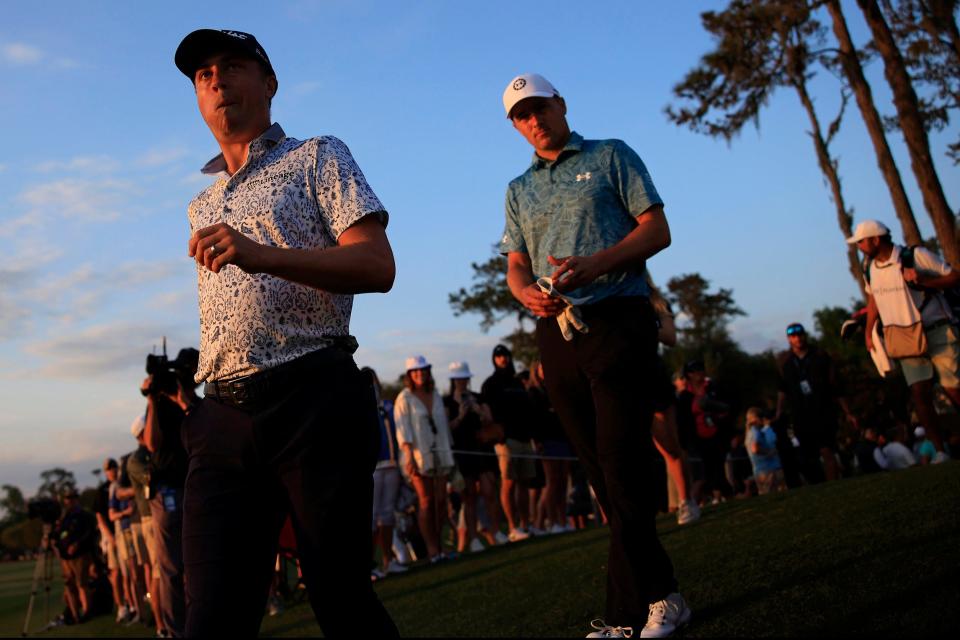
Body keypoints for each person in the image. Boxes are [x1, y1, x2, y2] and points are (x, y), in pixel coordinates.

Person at [173, 29, 397, 637]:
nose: (217, 80)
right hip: (220, 417)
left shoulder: (319, 155)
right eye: (203, 76)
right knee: (211, 617)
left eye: (232, 66)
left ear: (269, 84)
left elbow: (377, 266)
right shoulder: (202, 202)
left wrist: (261, 254)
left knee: (340, 597)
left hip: (313, 399)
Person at [499, 72, 689, 638]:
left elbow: (657, 230)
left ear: (560, 104)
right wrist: (521, 291)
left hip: (619, 317)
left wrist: (601, 262)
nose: (534, 121)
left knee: (621, 459)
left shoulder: (610, 154)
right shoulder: (517, 188)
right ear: (515, 125)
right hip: (556, 333)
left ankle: (631, 613)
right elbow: (514, 262)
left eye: (540, 108)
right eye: (521, 116)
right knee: (599, 474)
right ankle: (662, 596)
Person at [850, 219, 958, 464]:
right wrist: (869, 332)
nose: (859, 247)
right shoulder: (869, 267)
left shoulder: (915, 256)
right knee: (920, 394)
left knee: (953, 390)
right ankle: (941, 450)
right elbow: (874, 300)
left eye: (862, 241)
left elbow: (954, 277)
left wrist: (924, 281)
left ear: (876, 239)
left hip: (936, 329)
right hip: (903, 338)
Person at [775, 323, 856, 484]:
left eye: (800, 335)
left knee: (827, 449)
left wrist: (848, 412)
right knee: (808, 455)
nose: (797, 339)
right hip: (801, 414)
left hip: (823, 410)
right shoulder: (786, 362)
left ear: (805, 335)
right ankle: (819, 487)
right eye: (793, 336)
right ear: (788, 339)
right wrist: (779, 411)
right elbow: (782, 389)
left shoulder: (820, 356)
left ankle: (833, 484)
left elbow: (835, 386)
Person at [394, 356, 456, 562]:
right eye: (415, 371)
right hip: (419, 457)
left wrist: (450, 449)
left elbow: (444, 426)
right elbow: (403, 430)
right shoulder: (404, 398)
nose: (420, 374)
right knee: (426, 502)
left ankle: (439, 545)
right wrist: (409, 456)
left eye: (422, 370)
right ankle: (431, 550)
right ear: (410, 375)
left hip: (441, 453)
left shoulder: (435, 394)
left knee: (440, 501)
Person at [443, 361, 502, 551]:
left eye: (464, 378)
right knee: (469, 497)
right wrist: (460, 416)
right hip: (463, 452)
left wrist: (478, 411)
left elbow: (490, 421)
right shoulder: (447, 402)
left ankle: (496, 531)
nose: (462, 382)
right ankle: (474, 539)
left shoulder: (478, 397)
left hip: (481, 450)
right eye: (459, 379)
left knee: (489, 491)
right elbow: (446, 429)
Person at [481, 344, 537, 542]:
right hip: (506, 440)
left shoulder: (516, 382)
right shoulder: (491, 384)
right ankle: (512, 527)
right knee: (508, 483)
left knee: (524, 483)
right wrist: (499, 437)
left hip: (524, 438)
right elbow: (487, 414)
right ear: (494, 360)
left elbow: (528, 410)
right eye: (498, 356)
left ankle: (525, 525)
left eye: (505, 355)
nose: (502, 359)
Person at [365, 367, 409, 580]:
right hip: (372, 469)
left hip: (391, 465)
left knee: (387, 514)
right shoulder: (359, 410)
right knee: (371, 517)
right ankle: (368, 564)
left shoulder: (388, 407)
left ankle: (388, 561)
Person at [526, 360, 574, 534]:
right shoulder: (533, 392)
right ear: (536, 371)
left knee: (562, 482)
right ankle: (547, 521)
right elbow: (534, 419)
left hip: (562, 439)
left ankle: (562, 520)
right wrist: (537, 441)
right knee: (552, 482)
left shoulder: (555, 389)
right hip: (547, 441)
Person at [678, 360, 732, 506]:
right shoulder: (684, 397)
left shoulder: (713, 389)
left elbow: (727, 407)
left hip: (715, 436)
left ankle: (722, 497)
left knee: (718, 470)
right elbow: (682, 421)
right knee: (701, 475)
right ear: (689, 375)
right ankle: (691, 504)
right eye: (695, 371)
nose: (699, 373)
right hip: (696, 441)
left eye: (701, 369)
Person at [55, 489, 96, 624]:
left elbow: (89, 533)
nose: (70, 501)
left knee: (81, 583)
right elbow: (60, 535)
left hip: (80, 555)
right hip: (66, 557)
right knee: (70, 585)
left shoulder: (83, 515)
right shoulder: (64, 517)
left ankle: (87, 611)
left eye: (72, 498)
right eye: (67, 498)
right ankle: (74, 614)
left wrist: (77, 544)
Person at [744, 408, 786, 495]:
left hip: (759, 471)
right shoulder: (757, 431)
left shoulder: (748, 433)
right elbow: (755, 448)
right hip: (769, 470)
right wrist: (768, 453)